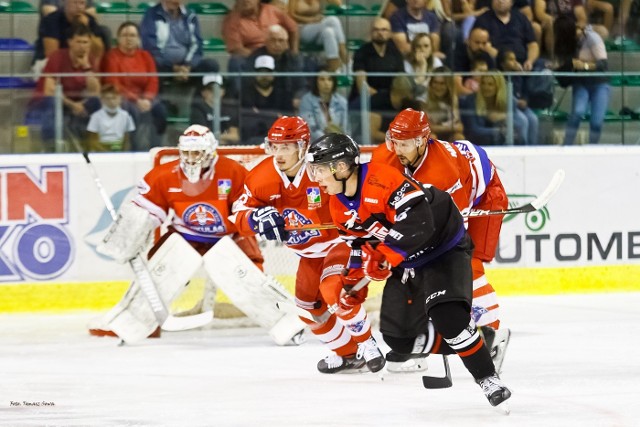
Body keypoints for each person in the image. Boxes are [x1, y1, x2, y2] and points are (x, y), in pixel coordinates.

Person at [305, 133, 512, 407]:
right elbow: (358, 245)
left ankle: (488, 378)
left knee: (448, 318)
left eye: (319, 170)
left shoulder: (381, 180)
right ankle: (478, 339)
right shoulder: (338, 204)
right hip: (407, 259)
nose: (315, 178)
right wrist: (352, 286)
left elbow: (420, 222)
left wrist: (386, 257)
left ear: (341, 168)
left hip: (443, 248)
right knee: (399, 339)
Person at [230, 116, 385, 374]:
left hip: (340, 242)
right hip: (309, 254)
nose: (278, 154)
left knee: (333, 290)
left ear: (302, 146)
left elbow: (358, 192)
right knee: (307, 309)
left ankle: (367, 343)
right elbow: (238, 214)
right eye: (274, 146)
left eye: (286, 147)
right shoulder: (261, 176)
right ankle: (349, 355)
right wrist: (254, 218)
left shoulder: (323, 169)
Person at [90, 125, 264, 338]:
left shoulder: (233, 171)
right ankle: (141, 321)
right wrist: (129, 237)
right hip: (185, 236)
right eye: (187, 153)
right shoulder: (165, 175)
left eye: (197, 153)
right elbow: (146, 212)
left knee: (251, 275)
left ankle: (275, 311)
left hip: (228, 236)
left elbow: (247, 210)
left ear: (210, 152)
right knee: (159, 270)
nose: (191, 158)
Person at [371, 107, 508, 338]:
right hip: (445, 190)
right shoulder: (386, 157)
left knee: (467, 263)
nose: (397, 149)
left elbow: (455, 234)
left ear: (422, 141)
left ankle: (491, 334)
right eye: (393, 141)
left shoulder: (443, 173)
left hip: (485, 197)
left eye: (404, 144)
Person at [26, 23, 101, 151]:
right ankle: (52, 147)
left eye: (86, 42)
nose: (82, 46)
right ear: (70, 42)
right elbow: (49, 91)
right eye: (79, 42)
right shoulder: (57, 57)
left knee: (97, 103)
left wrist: (87, 67)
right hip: (51, 102)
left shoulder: (90, 60)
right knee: (51, 102)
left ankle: (92, 146)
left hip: (76, 104)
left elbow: (95, 92)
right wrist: (72, 105)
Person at [102, 21, 167, 151]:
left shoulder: (145, 56)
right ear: (118, 39)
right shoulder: (111, 56)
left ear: (138, 39)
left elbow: (153, 80)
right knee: (132, 112)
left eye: (132, 35)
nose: (129, 39)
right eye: (125, 35)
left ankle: (157, 148)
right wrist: (137, 100)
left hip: (145, 97)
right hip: (122, 98)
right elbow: (114, 83)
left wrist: (147, 99)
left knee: (160, 111)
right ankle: (135, 149)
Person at [553, 15, 610, 145]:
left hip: (599, 83)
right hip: (581, 82)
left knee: (596, 121)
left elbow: (603, 65)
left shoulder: (592, 37)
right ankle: (567, 146)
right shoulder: (568, 43)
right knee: (577, 112)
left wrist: (584, 65)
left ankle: (592, 148)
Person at [140, 0, 219, 86]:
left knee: (211, 65)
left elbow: (197, 44)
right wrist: (173, 67)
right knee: (151, 64)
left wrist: (188, 66)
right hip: (163, 65)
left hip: (187, 66)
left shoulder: (190, 16)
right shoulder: (151, 14)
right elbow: (150, 46)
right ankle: (157, 99)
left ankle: (201, 98)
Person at [33, 0, 107, 71]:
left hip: (79, 62)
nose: (79, 7)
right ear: (65, 3)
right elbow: (51, 55)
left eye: (82, 3)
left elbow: (98, 51)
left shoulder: (89, 20)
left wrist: (86, 28)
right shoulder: (51, 20)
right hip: (48, 63)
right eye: (75, 2)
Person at [239, 55, 295, 143]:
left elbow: (289, 121)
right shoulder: (245, 94)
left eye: (268, 72)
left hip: (280, 140)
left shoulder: (283, 94)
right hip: (252, 140)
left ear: (274, 74)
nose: (264, 76)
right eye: (261, 72)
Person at [349, 17, 405, 103]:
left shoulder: (396, 53)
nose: (380, 33)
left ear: (390, 33)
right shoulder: (361, 52)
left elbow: (401, 82)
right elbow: (362, 87)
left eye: (384, 30)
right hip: (366, 99)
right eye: (376, 30)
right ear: (371, 33)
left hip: (390, 99)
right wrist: (383, 97)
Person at [288, 0, 348, 71]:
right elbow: (291, 15)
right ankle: (344, 56)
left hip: (317, 28)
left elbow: (338, 3)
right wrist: (310, 20)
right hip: (301, 29)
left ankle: (335, 70)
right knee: (333, 20)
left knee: (329, 32)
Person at [299, 67, 348, 141]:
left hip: (339, 142)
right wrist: (327, 140)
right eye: (322, 79)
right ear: (316, 82)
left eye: (329, 79)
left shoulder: (342, 101)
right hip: (315, 143)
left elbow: (346, 127)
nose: (326, 83)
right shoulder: (307, 100)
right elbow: (311, 128)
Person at [190, 75, 240, 145]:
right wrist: (225, 137)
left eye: (217, 89)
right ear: (203, 92)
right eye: (210, 89)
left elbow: (235, 137)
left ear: (223, 91)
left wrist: (214, 137)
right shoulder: (198, 110)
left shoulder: (229, 109)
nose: (215, 92)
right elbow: (202, 137)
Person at [86, 84, 136, 151]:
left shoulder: (126, 116)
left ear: (120, 99)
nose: (111, 101)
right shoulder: (96, 116)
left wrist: (124, 153)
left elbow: (128, 139)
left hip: (120, 149)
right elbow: (93, 141)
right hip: (101, 149)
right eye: (108, 99)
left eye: (114, 98)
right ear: (102, 100)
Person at [424, 67, 465, 141]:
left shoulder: (453, 99)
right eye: (435, 82)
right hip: (432, 135)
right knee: (431, 137)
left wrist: (439, 128)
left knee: (459, 137)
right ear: (431, 83)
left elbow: (460, 127)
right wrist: (451, 127)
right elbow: (427, 128)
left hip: (449, 135)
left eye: (442, 83)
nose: (438, 87)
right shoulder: (424, 99)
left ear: (448, 85)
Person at [404, 32, 444, 100]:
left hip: (433, 100)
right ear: (413, 49)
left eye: (426, 46)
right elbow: (415, 90)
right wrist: (423, 65)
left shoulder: (436, 62)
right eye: (418, 46)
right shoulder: (406, 64)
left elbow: (440, 86)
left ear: (431, 48)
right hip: (414, 101)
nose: (422, 49)